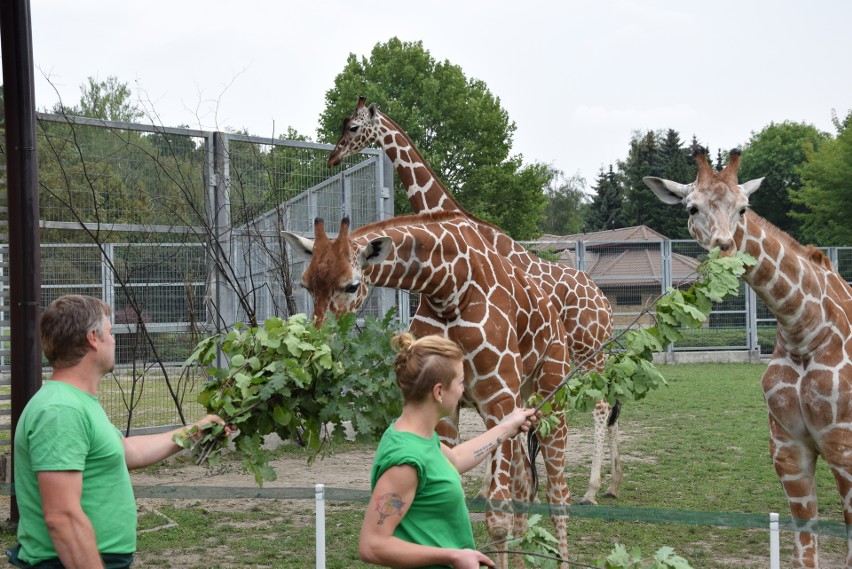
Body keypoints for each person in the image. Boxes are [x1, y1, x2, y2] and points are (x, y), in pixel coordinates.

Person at [8, 294, 232, 569]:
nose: (114, 340)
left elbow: (127, 451)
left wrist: (194, 431)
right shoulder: (61, 410)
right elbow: (62, 517)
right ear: (93, 338)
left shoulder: (76, 401)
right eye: (111, 332)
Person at [358, 332, 538, 569]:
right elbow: (372, 545)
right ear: (439, 392)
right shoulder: (405, 461)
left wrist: (506, 427)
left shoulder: (417, 436)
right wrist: (453, 556)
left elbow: (455, 458)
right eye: (461, 382)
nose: (463, 390)